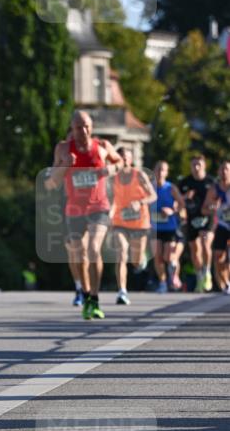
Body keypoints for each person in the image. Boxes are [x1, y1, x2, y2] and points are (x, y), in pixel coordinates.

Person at [45, 110, 122, 319]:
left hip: (99, 207)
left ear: (92, 127)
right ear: (72, 128)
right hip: (75, 209)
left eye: (87, 126)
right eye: (79, 127)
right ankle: (86, 293)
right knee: (79, 254)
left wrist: (109, 170)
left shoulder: (103, 147)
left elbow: (120, 162)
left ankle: (95, 299)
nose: (84, 130)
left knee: (93, 248)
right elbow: (52, 181)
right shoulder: (63, 149)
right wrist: (66, 165)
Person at [108, 147, 156, 305]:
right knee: (121, 253)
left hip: (139, 223)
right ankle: (122, 291)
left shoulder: (140, 175)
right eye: (121, 158)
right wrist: (109, 214)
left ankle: (141, 259)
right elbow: (112, 199)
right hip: (120, 222)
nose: (125, 161)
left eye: (127, 158)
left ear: (131, 160)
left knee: (135, 262)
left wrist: (140, 202)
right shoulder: (113, 178)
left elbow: (153, 196)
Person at [178, 154, 215, 292]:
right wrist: (184, 198)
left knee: (206, 243)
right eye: (194, 165)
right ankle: (200, 275)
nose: (196, 167)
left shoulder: (211, 182)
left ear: (204, 165)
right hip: (192, 218)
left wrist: (214, 205)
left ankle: (207, 272)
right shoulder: (185, 182)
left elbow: (219, 199)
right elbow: (177, 201)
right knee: (195, 249)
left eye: (199, 164)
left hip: (207, 218)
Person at [151, 161, 187, 293]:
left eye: (163, 170)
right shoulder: (149, 188)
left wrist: (172, 211)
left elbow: (182, 204)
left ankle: (174, 276)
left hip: (170, 227)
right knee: (157, 256)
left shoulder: (171, 188)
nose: (160, 173)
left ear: (166, 173)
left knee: (169, 256)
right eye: (158, 169)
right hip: (155, 228)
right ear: (154, 171)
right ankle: (162, 282)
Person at [202, 159, 230, 293]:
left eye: (227, 169)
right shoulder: (214, 189)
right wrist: (213, 208)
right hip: (221, 225)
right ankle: (226, 283)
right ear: (218, 172)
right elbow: (204, 209)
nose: (224, 172)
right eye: (222, 169)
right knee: (219, 258)